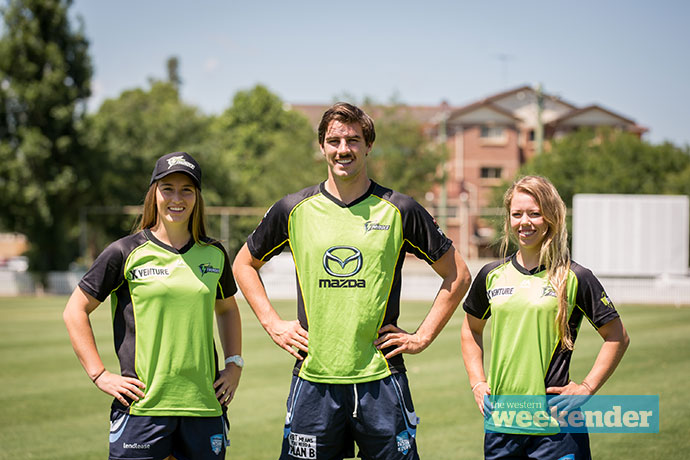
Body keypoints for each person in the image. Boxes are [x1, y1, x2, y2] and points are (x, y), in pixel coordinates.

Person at [232, 102, 472, 460]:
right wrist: (273, 323)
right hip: (314, 375)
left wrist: (422, 336)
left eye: (353, 140)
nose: (343, 149)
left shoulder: (400, 209)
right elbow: (243, 264)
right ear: (322, 147)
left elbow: (458, 274)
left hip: (381, 376)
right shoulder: (293, 208)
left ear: (368, 146)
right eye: (334, 141)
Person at [63, 152, 243, 460]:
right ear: (154, 194)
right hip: (142, 406)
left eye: (187, 189)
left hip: (203, 404)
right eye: (168, 188)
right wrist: (99, 374)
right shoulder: (125, 252)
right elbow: (74, 310)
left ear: (197, 197)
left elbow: (226, 309)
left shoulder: (214, 254)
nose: (177, 198)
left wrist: (234, 363)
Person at [461, 175, 630, 460]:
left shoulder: (575, 277)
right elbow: (470, 330)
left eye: (534, 213)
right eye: (517, 214)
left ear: (550, 217)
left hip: (557, 426)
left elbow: (617, 337)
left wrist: (587, 387)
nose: (524, 222)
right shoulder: (490, 274)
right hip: (502, 424)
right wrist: (477, 381)